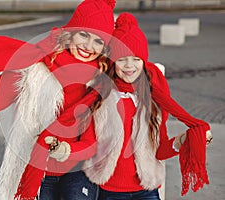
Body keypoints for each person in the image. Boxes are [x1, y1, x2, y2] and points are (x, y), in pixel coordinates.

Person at [0, 0, 116, 199]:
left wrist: (67, 150)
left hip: (79, 172)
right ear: (70, 32)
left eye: (98, 41)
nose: (88, 46)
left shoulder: (103, 82)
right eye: (83, 34)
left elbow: (95, 142)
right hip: (35, 173)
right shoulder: (34, 67)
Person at [81, 12, 213, 200]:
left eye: (136, 59)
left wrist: (183, 141)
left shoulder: (151, 98)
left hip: (146, 190)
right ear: (112, 61)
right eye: (122, 59)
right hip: (110, 191)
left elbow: (160, 150)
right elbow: (87, 144)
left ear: (144, 61)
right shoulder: (100, 96)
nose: (129, 66)